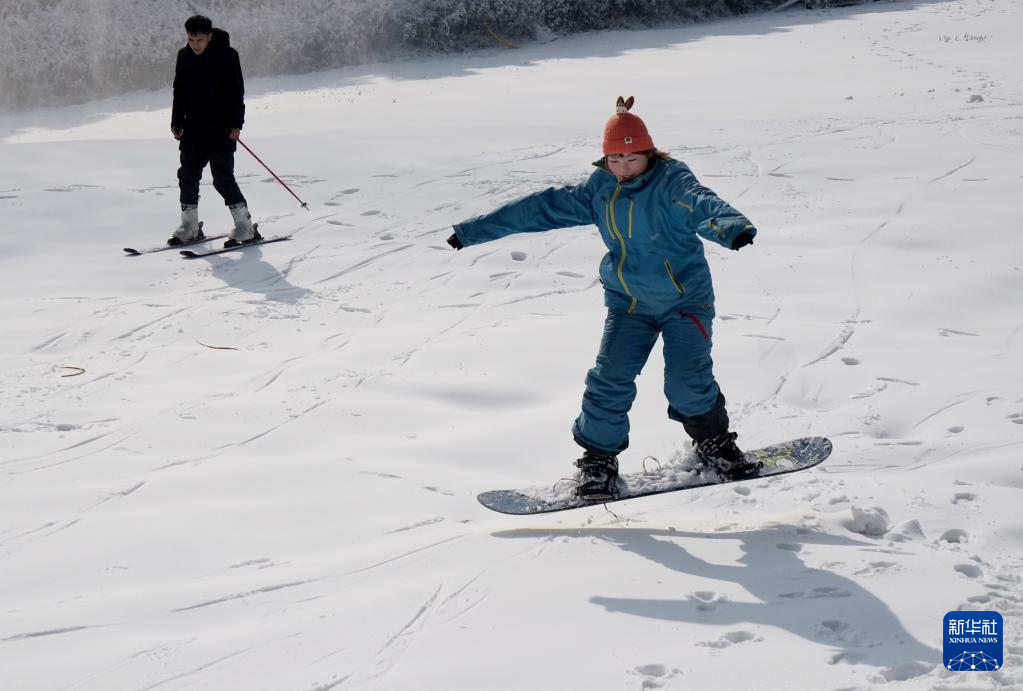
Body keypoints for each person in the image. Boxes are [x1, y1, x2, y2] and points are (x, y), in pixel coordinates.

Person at [447, 96, 760, 501]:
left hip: (684, 301)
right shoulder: (600, 189)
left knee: (687, 380)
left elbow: (701, 202)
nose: (624, 167)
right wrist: (473, 231)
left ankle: (714, 444)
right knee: (608, 380)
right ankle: (598, 462)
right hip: (629, 304)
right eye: (615, 159)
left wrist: (731, 227)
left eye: (632, 158)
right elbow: (540, 208)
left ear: (649, 153)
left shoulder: (671, 182)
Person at [169, 14, 259, 248]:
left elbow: (236, 93)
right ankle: (189, 227)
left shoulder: (227, 55)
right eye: (190, 40)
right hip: (193, 128)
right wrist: (176, 121)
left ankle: (245, 226)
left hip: (221, 128)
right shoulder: (183, 56)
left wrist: (236, 125)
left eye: (199, 40)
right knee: (187, 176)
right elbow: (179, 91)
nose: (195, 45)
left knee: (222, 178)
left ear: (209, 36)